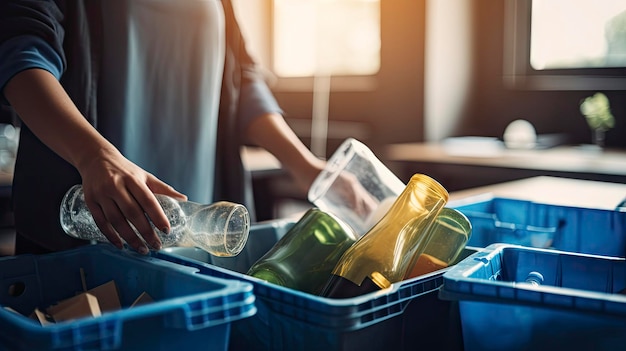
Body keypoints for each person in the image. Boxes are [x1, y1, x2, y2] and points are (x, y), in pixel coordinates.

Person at [0, 0, 326, 255]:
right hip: (90, 225)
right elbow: (21, 53)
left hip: (200, 226)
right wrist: (94, 156)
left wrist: (308, 169)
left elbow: (240, 80)